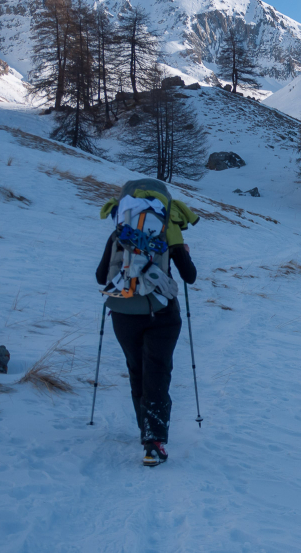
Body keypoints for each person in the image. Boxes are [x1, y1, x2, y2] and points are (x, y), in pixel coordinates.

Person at [96, 186, 198, 466]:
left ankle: (145, 429)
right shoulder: (169, 231)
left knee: (137, 369)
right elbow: (189, 277)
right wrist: (182, 252)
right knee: (158, 371)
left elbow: (99, 277)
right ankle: (153, 441)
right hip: (161, 314)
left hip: (123, 313)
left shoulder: (120, 232)